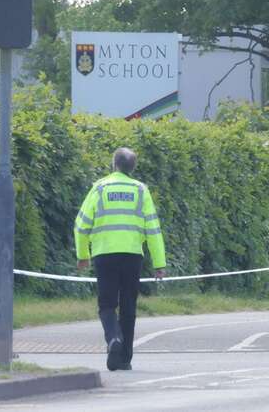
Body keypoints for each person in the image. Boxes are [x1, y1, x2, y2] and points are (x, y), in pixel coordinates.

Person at [74, 147, 166, 371]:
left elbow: (81, 225)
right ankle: (124, 358)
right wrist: (159, 264)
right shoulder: (141, 190)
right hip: (133, 256)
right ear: (132, 168)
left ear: (114, 164)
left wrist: (83, 255)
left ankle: (113, 338)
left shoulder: (100, 188)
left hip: (104, 255)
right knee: (128, 306)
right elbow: (153, 230)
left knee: (106, 304)